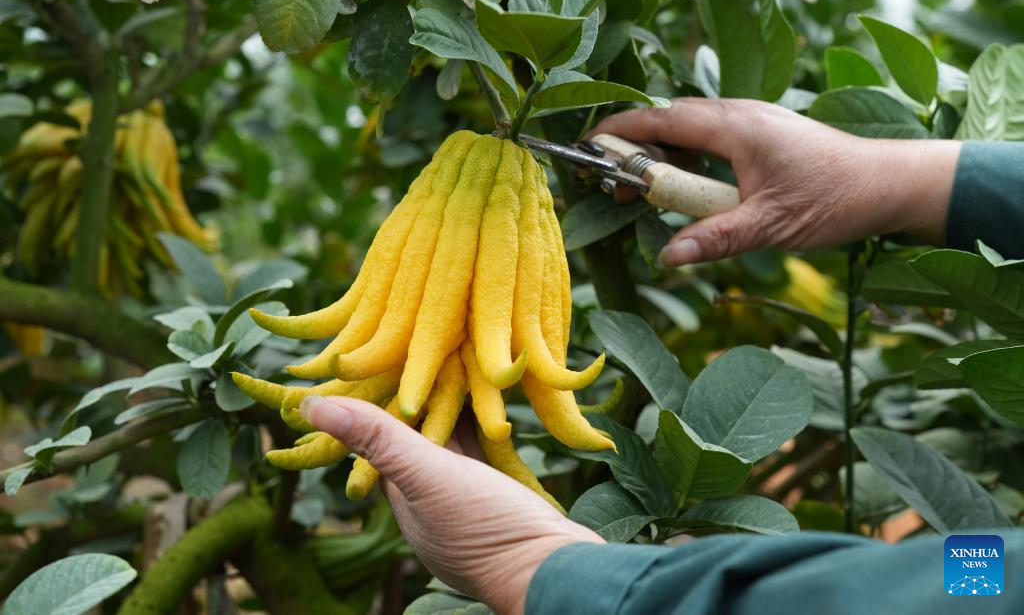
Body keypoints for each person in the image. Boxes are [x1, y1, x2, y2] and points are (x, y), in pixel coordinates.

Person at [299, 99, 1024, 614]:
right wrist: (910, 179)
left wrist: (541, 571)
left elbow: (906, 596)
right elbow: (969, 581)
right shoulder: (988, 569)